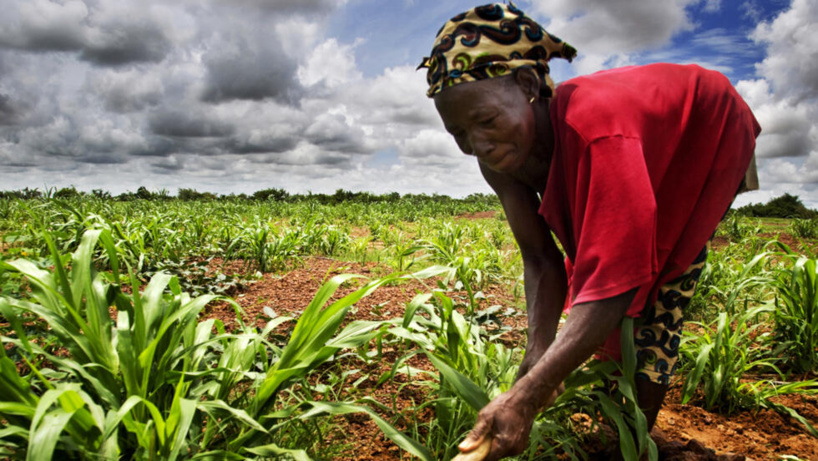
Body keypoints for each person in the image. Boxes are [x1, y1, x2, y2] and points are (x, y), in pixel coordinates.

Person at [418, 3, 760, 460]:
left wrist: (527, 397)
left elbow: (617, 278)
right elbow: (540, 257)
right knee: (601, 265)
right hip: (631, 144)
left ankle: (631, 441)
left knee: (655, 278)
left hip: (704, 132)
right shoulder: (496, 157)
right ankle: (613, 404)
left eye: (486, 121)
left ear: (527, 86)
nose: (477, 144)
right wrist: (538, 353)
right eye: (458, 133)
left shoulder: (598, 131)